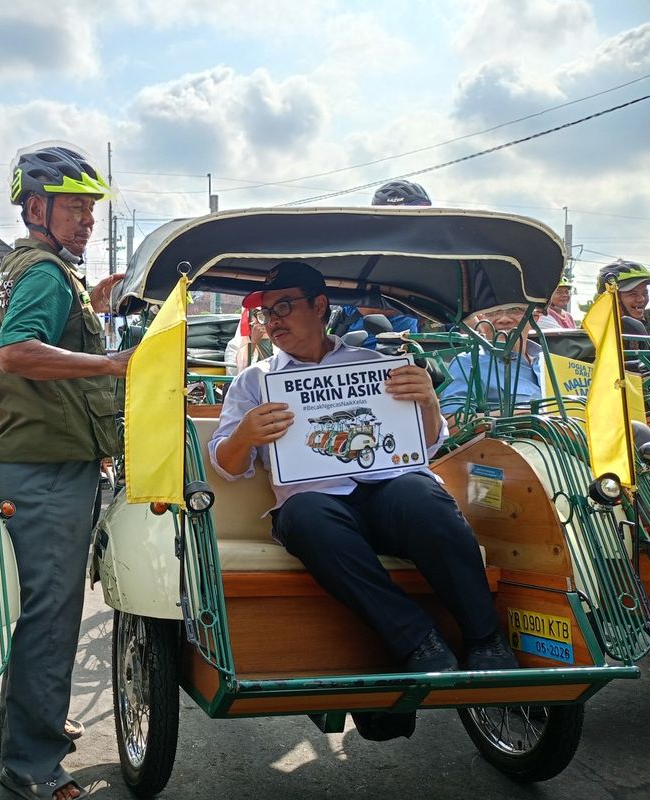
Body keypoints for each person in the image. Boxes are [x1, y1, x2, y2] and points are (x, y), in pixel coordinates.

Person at [209, 262, 516, 737]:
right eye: (268, 312)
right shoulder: (254, 381)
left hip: (389, 496)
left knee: (422, 493)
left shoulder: (375, 367)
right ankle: (419, 640)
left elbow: (427, 445)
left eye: (285, 307)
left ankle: (486, 640)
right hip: (317, 509)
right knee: (306, 513)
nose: (274, 320)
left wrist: (430, 404)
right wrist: (246, 435)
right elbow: (227, 465)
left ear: (319, 306)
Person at [0, 144, 131, 800]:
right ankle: (33, 770)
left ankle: (34, 732)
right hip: (46, 472)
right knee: (49, 617)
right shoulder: (45, 271)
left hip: (44, 464)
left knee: (41, 614)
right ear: (35, 208)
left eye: (92, 207)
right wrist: (109, 365)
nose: (87, 219)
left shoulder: (45, 270)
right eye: (74, 205)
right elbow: (16, 354)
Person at [334, 180, 431, 346]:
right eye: (410, 214)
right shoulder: (366, 254)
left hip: (405, 347)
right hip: (362, 349)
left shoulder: (418, 254)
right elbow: (367, 305)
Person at [441, 304, 545, 413]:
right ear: (481, 319)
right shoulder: (469, 363)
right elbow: (452, 421)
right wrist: (520, 417)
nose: (504, 319)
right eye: (493, 311)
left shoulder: (549, 362)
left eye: (515, 309)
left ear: (535, 317)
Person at [597, 259, 650, 337]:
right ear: (612, 298)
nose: (642, 299)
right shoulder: (597, 333)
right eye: (633, 294)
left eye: (645, 293)